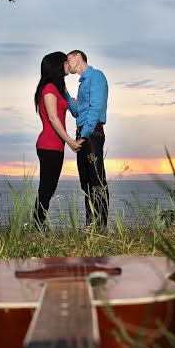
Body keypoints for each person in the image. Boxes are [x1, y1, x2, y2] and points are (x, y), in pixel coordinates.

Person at [33, 51, 83, 226]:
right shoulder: (48, 89)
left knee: (48, 189)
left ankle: (38, 226)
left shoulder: (58, 89)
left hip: (55, 146)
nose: (68, 65)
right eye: (65, 62)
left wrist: (74, 102)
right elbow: (53, 118)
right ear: (57, 65)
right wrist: (70, 141)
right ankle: (36, 227)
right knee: (46, 189)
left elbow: (68, 109)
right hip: (49, 145)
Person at [66, 49, 109, 229]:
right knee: (86, 183)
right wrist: (66, 95)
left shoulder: (96, 76)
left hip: (91, 134)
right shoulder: (82, 83)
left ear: (78, 57)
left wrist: (83, 136)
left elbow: (95, 109)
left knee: (97, 181)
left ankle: (100, 227)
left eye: (68, 60)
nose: (67, 65)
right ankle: (91, 225)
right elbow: (77, 112)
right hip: (82, 133)